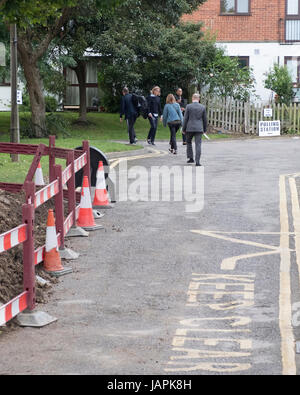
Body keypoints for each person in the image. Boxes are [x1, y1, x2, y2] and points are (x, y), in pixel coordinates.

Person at [182, 93, 207, 167]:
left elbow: (185, 118)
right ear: (199, 99)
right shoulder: (202, 107)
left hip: (189, 128)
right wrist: (204, 129)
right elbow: (205, 120)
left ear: (192, 98)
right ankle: (198, 161)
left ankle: (191, 158)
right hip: (199, 128)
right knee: (198, 144)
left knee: (188, 142)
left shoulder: (188, 106)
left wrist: (183, 128)